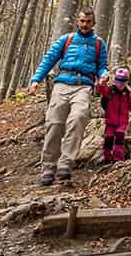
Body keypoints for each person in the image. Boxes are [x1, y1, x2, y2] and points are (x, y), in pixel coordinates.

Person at [28, 10, 108, 186]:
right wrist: (36, 80)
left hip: (84, 86)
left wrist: (104, 75)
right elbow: (49, 59)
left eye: (88, 21)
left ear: (93, 23)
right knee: (54, 123)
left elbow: (102, 66)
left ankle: (65, 165)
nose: (84, 24)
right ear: (77, 21)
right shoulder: (67, 39)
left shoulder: (99, 44)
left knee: (78, 118)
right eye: (81, 21)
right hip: (62, 83)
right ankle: (48, 168)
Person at [96, 67, 131, 163]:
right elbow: (101, 90)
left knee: (119, 138)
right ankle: (107, 157)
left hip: (122, 121)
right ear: (115, 81)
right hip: (110, 120)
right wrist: (101, 83)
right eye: (119, 81)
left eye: (123, 82)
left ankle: (118, 158)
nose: (120, 85)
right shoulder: (110, 91)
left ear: (126, 82)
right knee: (108, 139)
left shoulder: (128, 94)